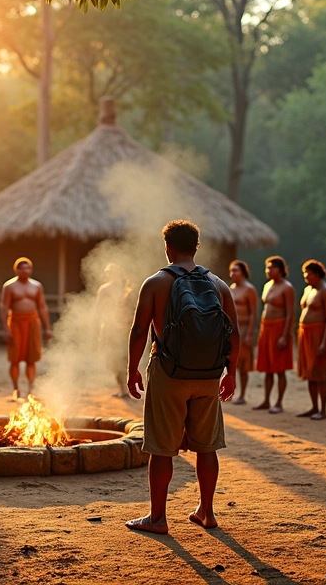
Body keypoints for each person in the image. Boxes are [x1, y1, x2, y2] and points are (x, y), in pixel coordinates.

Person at [124, 220, 239, 535]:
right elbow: (236, 334)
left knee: (161, 447)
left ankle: (158, 518)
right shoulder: (219, 284)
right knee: (207, 446)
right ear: (197, 247)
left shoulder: (155, 283)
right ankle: (207, 511)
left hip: (169, 373)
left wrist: (132, 369)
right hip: (209, 376)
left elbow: (138, 331)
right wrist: (231, 374)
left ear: (167, 248)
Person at [0, 257, 52, 401]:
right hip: (16, 322)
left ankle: (31, 390)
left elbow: (42, 306)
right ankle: (16, 389)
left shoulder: (36, 286)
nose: (25, 270)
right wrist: (5, 328)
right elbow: (4, 307)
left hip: (32, 322)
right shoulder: (9, 287)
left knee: (32, 359)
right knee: (15, 359)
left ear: (31, 269)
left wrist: (47, 328)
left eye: (28, 267)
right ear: (16, 270)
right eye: (22, 268)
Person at [254, 256, 295, 414]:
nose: (268, 271)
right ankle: (266, 400)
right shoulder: (267, 286)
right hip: (266, 328)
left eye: (271, 268)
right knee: (267, 368)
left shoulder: (287, 288)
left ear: (280, 269)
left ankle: (278, 402)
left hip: (279, 329)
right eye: (267, 268)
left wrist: (285, 335)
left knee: (280, 368)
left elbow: (290, 314)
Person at [297, 260, 326, 420]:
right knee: (309, 372)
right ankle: (314, 407)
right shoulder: (308, 290)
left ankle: (323, 410)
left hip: (318, 334)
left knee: (320, 372)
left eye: (308, 273)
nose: (305, 276)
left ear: (317, 274)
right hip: (305, 333)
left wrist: (324, 342)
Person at [96, 263, 134, 398]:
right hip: (110, 327)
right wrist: (102, 326)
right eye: (109, 272)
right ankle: (122, 386)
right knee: (112, 359)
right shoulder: (104, 290)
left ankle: (125, 388)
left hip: (124, 328)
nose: (111, 275)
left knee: (123, 358)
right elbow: (100, 310)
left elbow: (133, 311)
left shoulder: (128, 291)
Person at [228, 260, 258, 405]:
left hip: (244, 330)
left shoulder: (249, 289)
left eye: (236, 270)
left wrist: (249, 334)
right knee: (229, 363)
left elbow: (253, 313)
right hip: (231, 331)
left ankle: (243, 394)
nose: (233, 273)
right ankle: (230, 391)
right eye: (231, 271)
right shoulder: (230, 289)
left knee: (243, 366)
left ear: (243, 272)